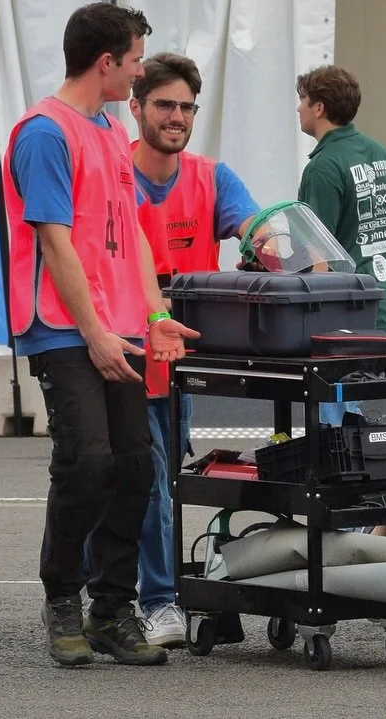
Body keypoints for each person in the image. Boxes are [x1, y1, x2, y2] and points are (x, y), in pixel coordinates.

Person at [2, 2, 199, 668]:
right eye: (137, 58)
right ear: (106, 62)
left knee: (136, 466)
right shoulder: (43, 133)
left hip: (118, 326)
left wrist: (152, 314)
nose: (141, 70)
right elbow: (55, 242)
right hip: (63, 328)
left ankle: (114, 609)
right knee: (87, 461)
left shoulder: (113, 129)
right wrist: (94, 332)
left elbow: (134, 234)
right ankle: (64, 597)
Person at [129, 53, 258, 647]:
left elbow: (260, 230)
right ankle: (157, 600)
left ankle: (98, 583)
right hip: (124, 355)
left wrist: (290, 258)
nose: (176, 116)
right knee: (146, 478)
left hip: (184, 366)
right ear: (136, 108)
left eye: (185, 107)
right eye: (164, 105)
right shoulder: (115, 175)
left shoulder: (211, 177)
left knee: (161, 474)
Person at [296, 65, 386, 423]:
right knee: (352, 409)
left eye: (303, 100)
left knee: (334, 422)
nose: (298, 108)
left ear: (320, 108)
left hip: (344, 315)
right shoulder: (383, 155)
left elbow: (316, 256)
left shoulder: (324, 167)